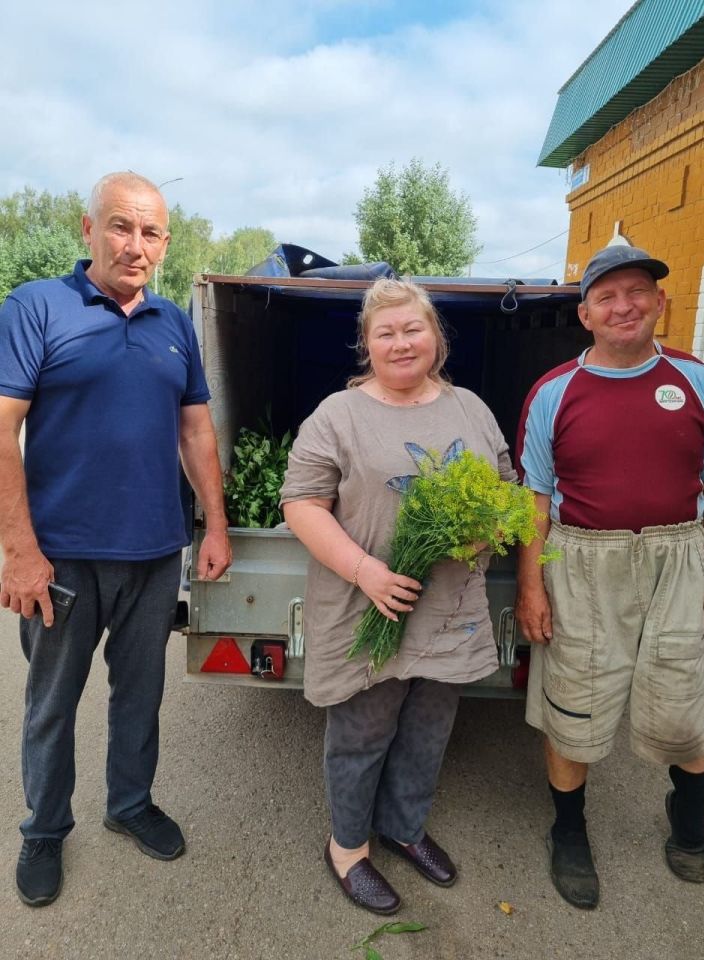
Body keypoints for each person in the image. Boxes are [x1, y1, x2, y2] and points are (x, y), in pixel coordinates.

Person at [0, 172, 232, 907]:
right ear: (88, 229)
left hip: (155, 551)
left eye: (151, 232)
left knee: (141, 694)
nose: (136, 245)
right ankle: (45, 828)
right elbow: (2, 428)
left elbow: (195, 429)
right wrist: (19, 550)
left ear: (165, 244)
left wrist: (215, 524)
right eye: (121, 227)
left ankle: (129, 804)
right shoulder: (36, 307)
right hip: (61, 555)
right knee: (51, 701)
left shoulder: (173, 323)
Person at [280, 278, 515, 914]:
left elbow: (505, 487)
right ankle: (348, 847)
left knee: (429, 728)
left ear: (436, 336)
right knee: (362, 729)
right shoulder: (339, 414)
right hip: (370, 604)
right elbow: (300, 503)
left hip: (449, 608)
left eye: (413, 328)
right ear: (367, 344)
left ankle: (404, 828)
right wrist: (366, 571)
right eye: (385, 332)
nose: (401, 342)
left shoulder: (470, 407)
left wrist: (487, 531)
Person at [515, 244, 704, 910]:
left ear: (662, 302)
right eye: (607, 296)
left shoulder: (700, 382)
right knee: (572, 703)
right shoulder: (554, 393)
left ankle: (689, 825)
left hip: (678, 560)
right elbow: (533, 502)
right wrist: (531, 587)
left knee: (686, 703)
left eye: (638, 292)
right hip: (581, 562)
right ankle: (568, 832)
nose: (624, 305)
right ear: (585, 314)